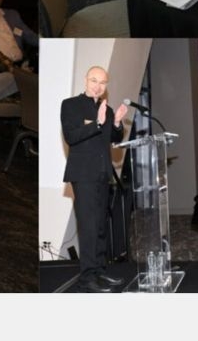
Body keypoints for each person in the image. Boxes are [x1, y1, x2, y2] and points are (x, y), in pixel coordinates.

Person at [60, 66, 130, 293]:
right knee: (89, 228)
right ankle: (87, 278)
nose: (97, 86)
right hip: (83, 175)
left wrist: (117, 122)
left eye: (102, 82)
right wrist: (97, 124)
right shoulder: (70, 104)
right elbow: (71, 136)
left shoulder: (106, 109)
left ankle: (99, 272)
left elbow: (114, 138)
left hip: (102, 175)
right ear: (85, 80)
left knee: (100, 227)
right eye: (94, 80)